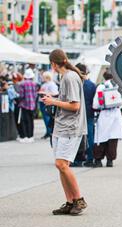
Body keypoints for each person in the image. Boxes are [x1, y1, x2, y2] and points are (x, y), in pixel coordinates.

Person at [42, 49, 88, 216]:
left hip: (70, 127)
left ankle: (78, 199)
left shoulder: (69, 77)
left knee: (62, 165)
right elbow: (70, 100)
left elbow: (74, 105)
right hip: (64, 126)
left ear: (53, 64)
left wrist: (53, 101)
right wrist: (55, 97)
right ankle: (70, 201)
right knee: (62, 166)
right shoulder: (68, 76)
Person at [92, 71, 122, 167]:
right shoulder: (118, 86)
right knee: (113, 138)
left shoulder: (101, 87)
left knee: (101, 137)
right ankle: (110, 160)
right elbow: (121, 102)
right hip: (116, 114)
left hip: (104, 114)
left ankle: (98, 159)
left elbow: (96, 104)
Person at [75, 63, 97, 167]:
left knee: (78, 136)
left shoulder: (75, 84)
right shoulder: (92, 85)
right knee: (90, 136)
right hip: (89, 113)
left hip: (77, 113)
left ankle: (78, 159)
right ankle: (90, 158)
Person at [17, 69, 38, 143]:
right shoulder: (34, 84)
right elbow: (35, 95)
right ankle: (31, 136)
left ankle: (26, 136)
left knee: (25, 121)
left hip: (24, 105)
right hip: (32, 105)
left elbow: (21, 95)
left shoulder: (22, 84)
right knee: (31, 121)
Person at [38, 71, 59, 140]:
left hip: (47, 103)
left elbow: (55, 94)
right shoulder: (45, 84)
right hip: (43, 102)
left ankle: (50, 132)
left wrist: (44, 93)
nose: (42, 78)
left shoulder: (52, 84)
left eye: (43, 77)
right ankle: (48, 132)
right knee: (45, 118)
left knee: (47, 118)